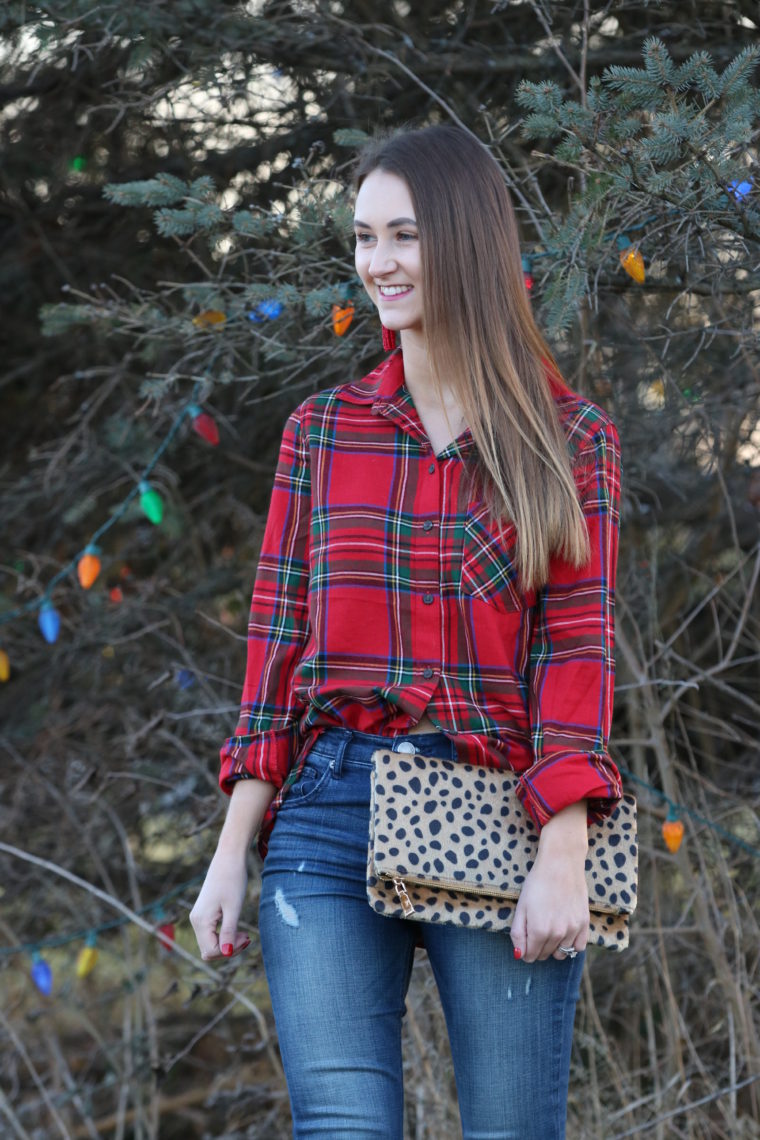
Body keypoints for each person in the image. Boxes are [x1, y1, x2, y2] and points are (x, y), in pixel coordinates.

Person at [190, 123, 623, 1139]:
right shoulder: (321, 433)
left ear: (465, 243)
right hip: (328, 812)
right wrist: (228, 850)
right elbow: (276, 651)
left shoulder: (571, 441)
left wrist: (564, 844)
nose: (377, 263)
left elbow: (574, 646)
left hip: (499, 812)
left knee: (512, 1129)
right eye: (362, 237)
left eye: (404, 236)